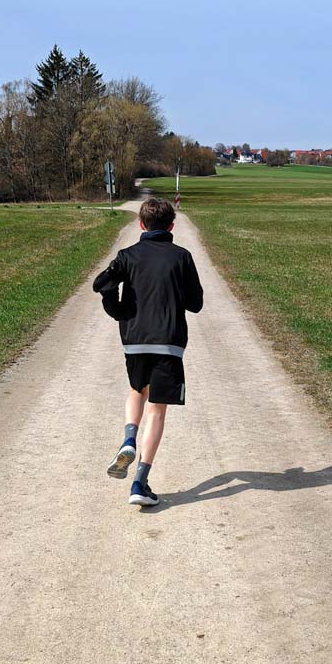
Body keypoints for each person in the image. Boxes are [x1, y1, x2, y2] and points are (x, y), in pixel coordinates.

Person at [92, 198, 204, 506]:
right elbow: (196, 303)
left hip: (135, 339)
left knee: (136, 391)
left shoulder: (127, 256)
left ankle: (129, 437)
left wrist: (118, 311)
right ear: (172, 226)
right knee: (157, 409)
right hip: (168, 342)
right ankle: (139, 483)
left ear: (141, 224)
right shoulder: (182, 257)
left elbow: (104, 284)